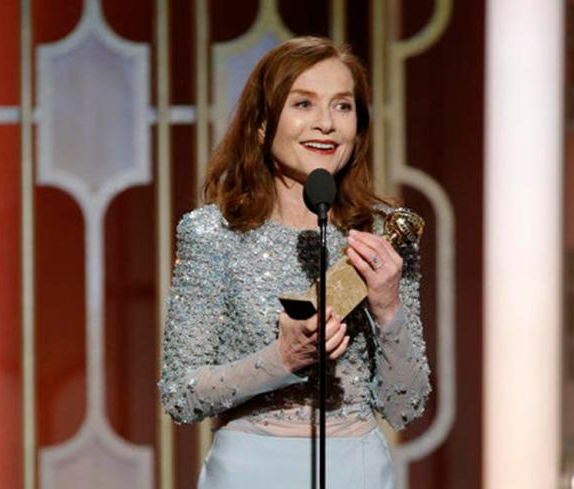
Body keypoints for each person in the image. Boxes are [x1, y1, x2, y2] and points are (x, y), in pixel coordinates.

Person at [159, 36, 431, 489]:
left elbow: (406, 406)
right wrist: (282, 359)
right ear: (262, 124)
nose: (326, 123)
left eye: (342, 106)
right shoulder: (212, 233)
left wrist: (388, 309)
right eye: (303, 104)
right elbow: (180, 395)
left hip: (356, 468)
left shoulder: (383, 236)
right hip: (250, 470)